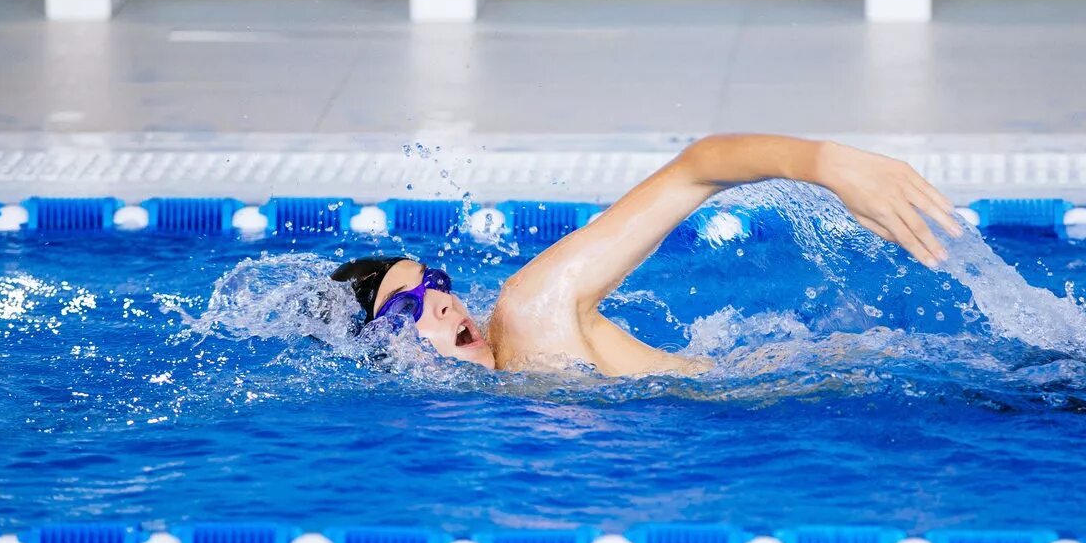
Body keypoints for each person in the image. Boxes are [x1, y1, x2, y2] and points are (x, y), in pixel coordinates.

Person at [329, 133, 962, 375]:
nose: (438, 301)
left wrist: (830, 164)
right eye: (408, 308)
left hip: (884, 390)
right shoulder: (501, 388)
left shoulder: (528, 312)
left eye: (431, 282)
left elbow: (696, 169)